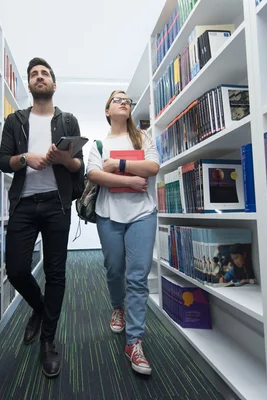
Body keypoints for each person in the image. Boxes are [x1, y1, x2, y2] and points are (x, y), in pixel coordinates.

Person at [0, 57, 84, 378]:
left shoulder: (68, 121)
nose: (39, 77)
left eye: (44, 73)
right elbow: (3, 161)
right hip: (23, 203)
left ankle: (48, 340)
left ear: (53, 84)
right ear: (29, 85)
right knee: (17, 269)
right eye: (34, 74)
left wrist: (65, 159)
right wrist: (26, 158)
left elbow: (80, 169)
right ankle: (39, 308)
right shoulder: (15, 121)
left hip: (56, 204)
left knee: (55, 272)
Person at [86, 90, 160, 375]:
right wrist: (129, 181)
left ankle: (135, 341)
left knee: (138, 277)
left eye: (127, 100)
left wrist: (119, 164)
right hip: (109, 215)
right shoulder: (99, 144)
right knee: (115, 269)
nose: (124, 102)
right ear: (107, 110)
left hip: (142, 214)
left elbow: (152, 167)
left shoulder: (143, 138)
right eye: (117, 99)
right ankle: (118, 306)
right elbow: (93, 174)